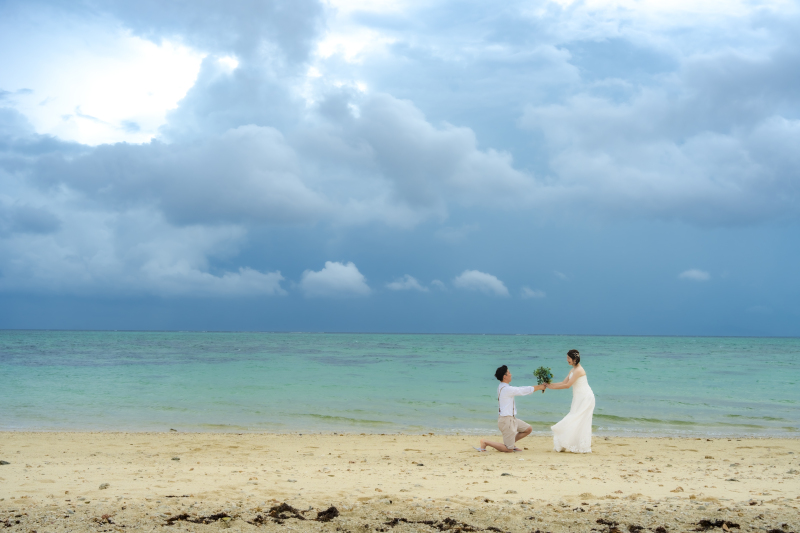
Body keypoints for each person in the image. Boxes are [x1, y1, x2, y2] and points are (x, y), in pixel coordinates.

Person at [476, 365, 546, 453]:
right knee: (508, 450)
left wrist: (538, 387)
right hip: (506, 421)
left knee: (528, 429)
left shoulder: (502, 386)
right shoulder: (506, 389)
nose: (511, 374)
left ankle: (511, 444)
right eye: (509, 373)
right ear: (504, 376)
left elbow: (520, 389)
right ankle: (485, 442)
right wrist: (539, 387)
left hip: (511, 419)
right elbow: (522, 390)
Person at [545, 349, 595, 453]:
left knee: (578, 419)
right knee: (576, 418)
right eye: (567, 357)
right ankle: (570, 443)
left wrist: (552, 388)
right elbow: (564, 382)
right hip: (578, 398)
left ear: (575, 359)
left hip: (586, 398)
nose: (567, 360)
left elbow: (567, 386)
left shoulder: (579, 371)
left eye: (568, 358)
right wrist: (550, 385)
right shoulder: (572, 370)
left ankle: (581, 446)